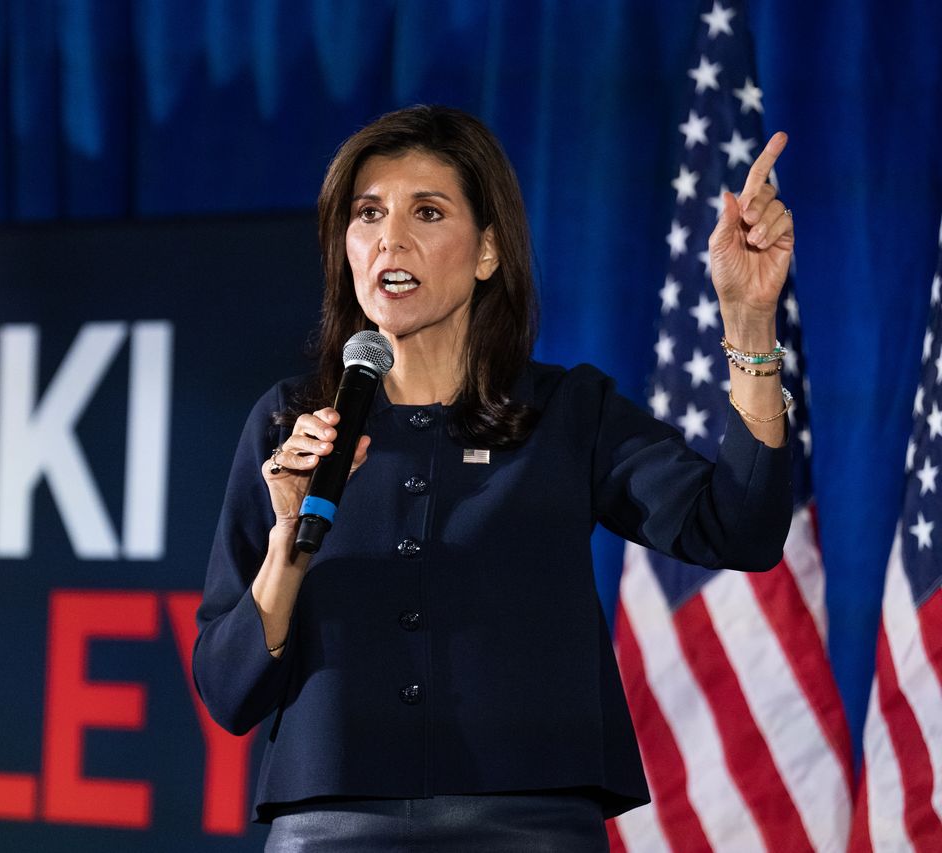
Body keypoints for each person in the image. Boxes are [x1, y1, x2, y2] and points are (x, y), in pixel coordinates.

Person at [192, 105, 795, 851]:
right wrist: (288, 543)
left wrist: (750, 325)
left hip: (528, 827)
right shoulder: (290, 423)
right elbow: (227, 691)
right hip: (330, 825)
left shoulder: (568, 411)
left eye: (427, 211)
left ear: (486, 252)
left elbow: (741, 526)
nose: (390, 237)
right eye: (368, 213)